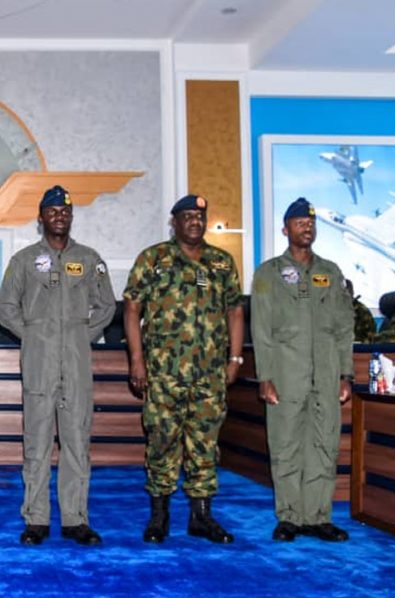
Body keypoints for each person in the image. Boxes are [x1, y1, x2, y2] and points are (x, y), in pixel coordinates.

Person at [0, 185, 116, 546]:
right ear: (41, 218)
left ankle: (75, 519)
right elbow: (6, 309)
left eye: (65, 211)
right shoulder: (24, 260)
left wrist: (80, 334)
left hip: (77, 365)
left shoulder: (90, 259)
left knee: (77, 441)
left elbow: (107, 306)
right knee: (37, 443)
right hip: (39, 364)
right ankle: (36, 518)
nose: (59, 216)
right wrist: (35, 335)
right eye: (52, 211)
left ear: (71, 217)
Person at [123, 194, 244, 545]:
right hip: (164, 373)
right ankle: (159, 516)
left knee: (205, 444)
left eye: (199, 217)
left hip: (209, 374)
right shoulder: (153, 258)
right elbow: (132, 309)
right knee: (161, 441)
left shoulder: (221, 262)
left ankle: (201, 517)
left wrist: (235, 359)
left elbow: (235, 311)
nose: (195, 222)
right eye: (187, 216)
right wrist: (136, 359)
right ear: (174, 222)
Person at [251, 197, 354, 542]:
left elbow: (344, 327)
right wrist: (265, 377)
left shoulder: (331, 272)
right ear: (286, 230)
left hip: (325, 374)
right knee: (286, 446)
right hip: (285, 375)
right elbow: (261, 329)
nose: (307, 228)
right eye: (299, 223)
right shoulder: (268, 274)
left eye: (311, 223)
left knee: (324, 445)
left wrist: (345, 374)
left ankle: (318, 517)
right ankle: (290, 517)